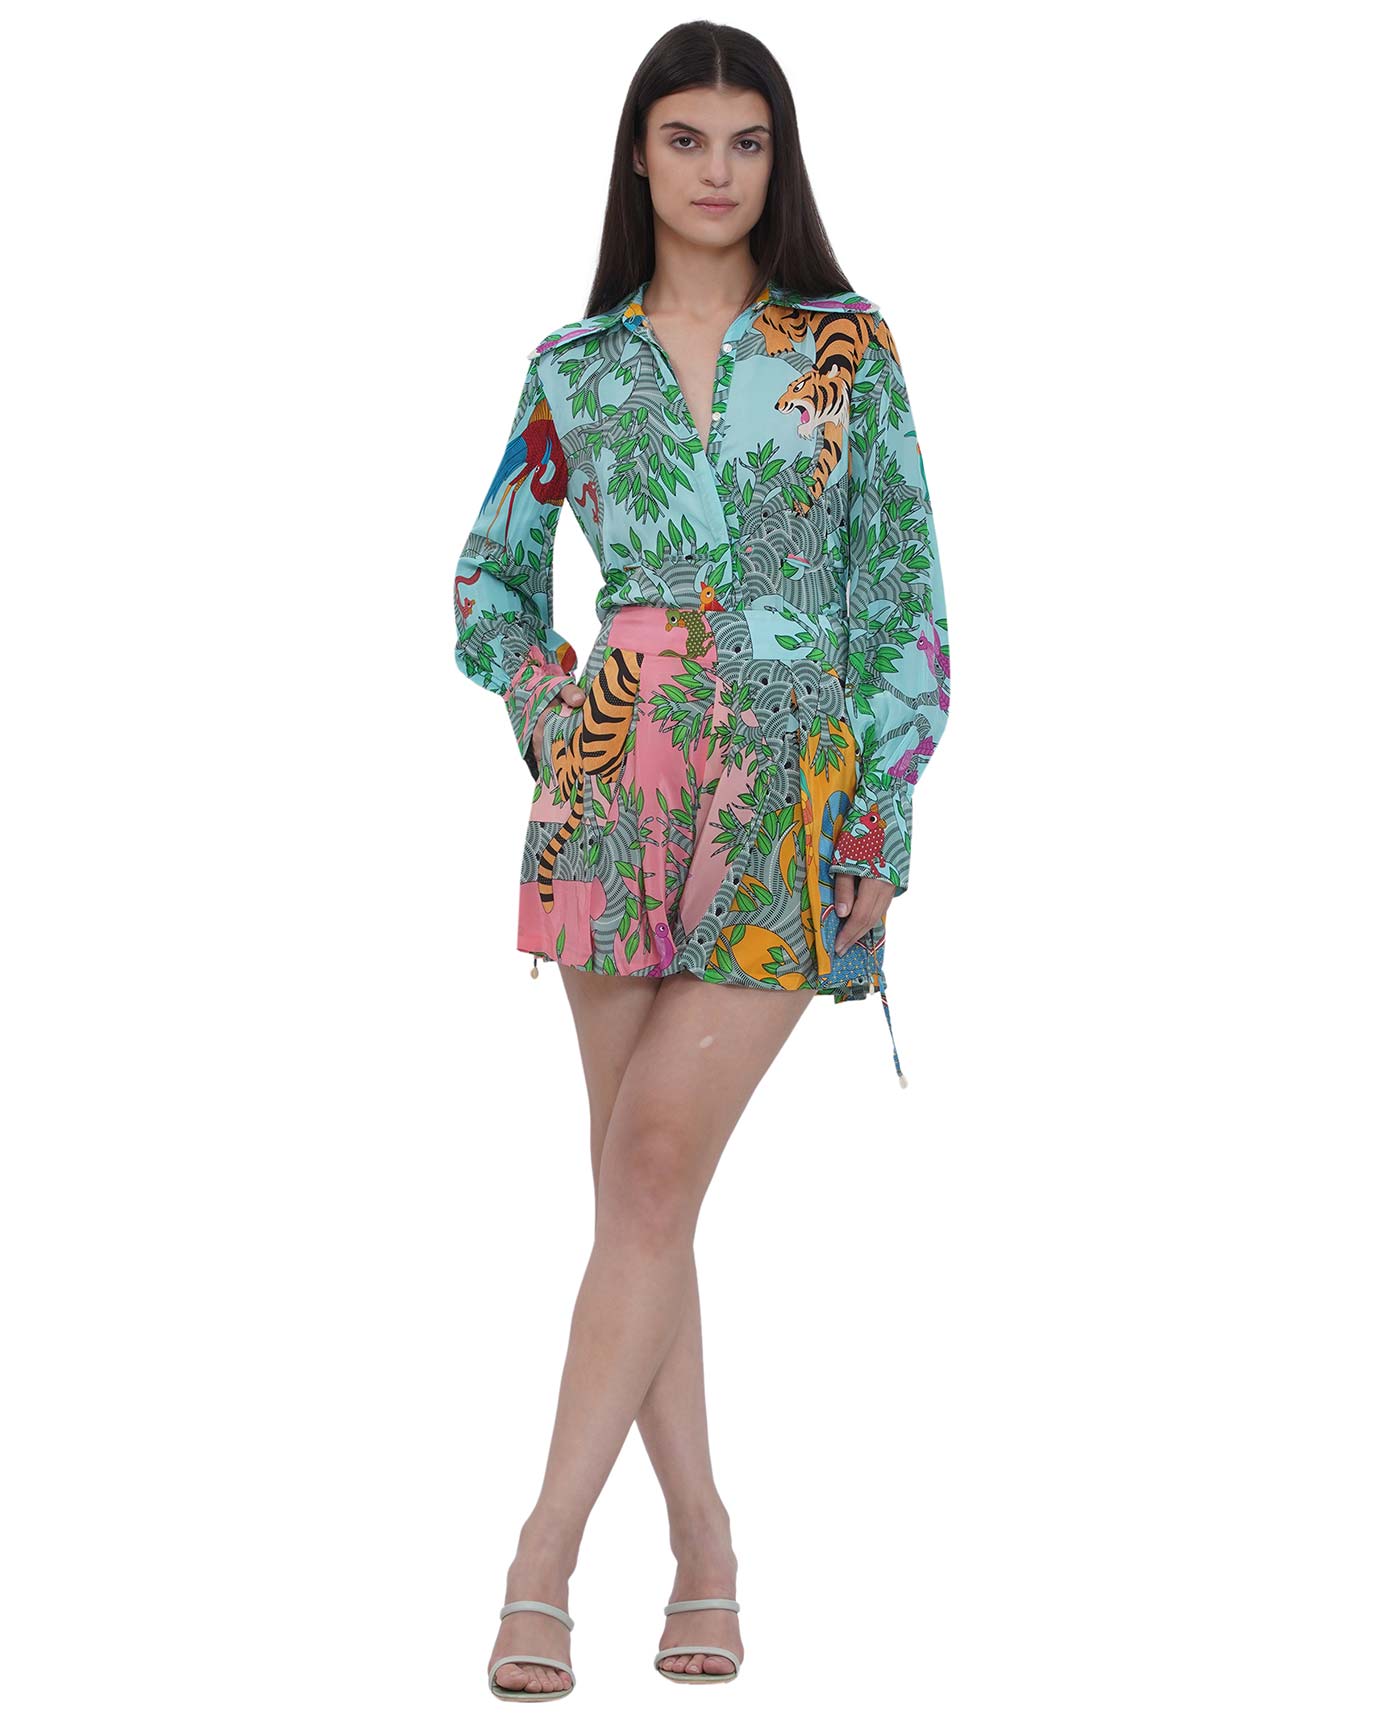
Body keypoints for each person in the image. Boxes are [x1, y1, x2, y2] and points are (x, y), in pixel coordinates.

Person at [451, 21, 950, 1701]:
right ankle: (708, 1549)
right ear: (640, 156)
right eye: (687, 139)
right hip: (616, 799)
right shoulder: (573, 366)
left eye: (747, 141)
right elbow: (488, 580)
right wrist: (560, 715)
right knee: (639, 1196)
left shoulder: (843, 351)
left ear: (776, 160)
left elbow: (904, 594)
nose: (718, 170)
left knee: (654, 1163)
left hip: (794, 798)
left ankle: (539, 1559)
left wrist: (881, 821)